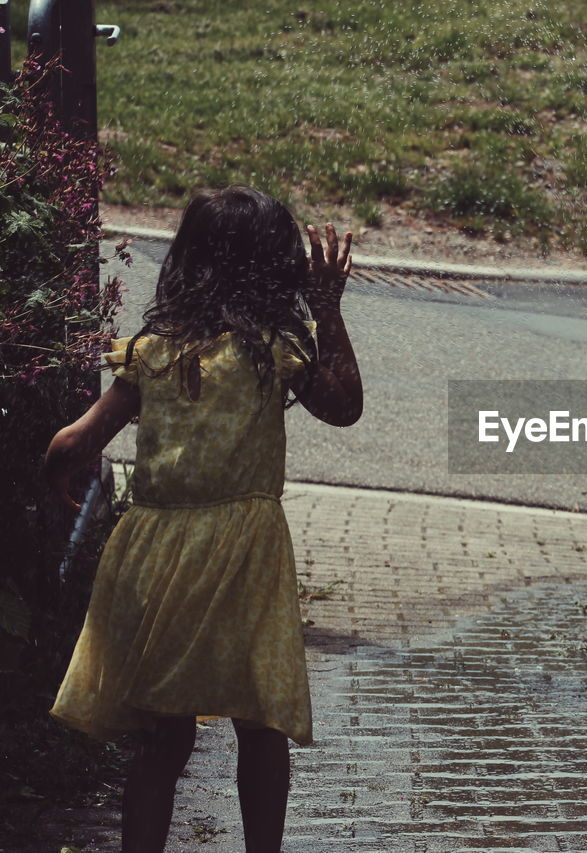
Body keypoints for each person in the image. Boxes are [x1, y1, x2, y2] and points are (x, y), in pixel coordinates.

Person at [43, 186, 363, 853]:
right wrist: (328, 310)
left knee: (164, 735)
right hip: (245, 555)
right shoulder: (272, 352)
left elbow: (72, 444)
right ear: (276, 271)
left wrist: (58, 485)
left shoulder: (154, 352)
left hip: (157, 558)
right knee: (258, 724)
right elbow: (345, 405)